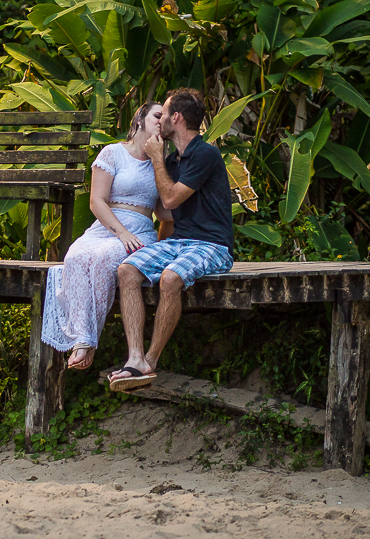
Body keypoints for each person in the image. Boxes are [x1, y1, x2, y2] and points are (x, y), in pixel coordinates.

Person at [107, 88, 234, 392]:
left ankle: (150, 361)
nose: (159, 119)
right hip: (180, 241)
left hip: (213, 245)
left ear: (175, 118)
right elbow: (164, 212)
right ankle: (134, 358)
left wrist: (155, 158)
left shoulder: (205, 154)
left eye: (163, 113)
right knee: (127, 270)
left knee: (170, 278)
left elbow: (171, 198)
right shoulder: (175, 160)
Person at [40, 101, 171, 370]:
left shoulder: (161, 163)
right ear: (140, 119)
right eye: (157, 115)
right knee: (75, 256)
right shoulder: (112, 153)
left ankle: (86, 343)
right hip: (107, 225)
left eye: (165, 118)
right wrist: (120, 232)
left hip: (140, 230)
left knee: (104, 259)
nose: (162, 120)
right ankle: (82, 340)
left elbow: (164, 210)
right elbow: (96, 201)